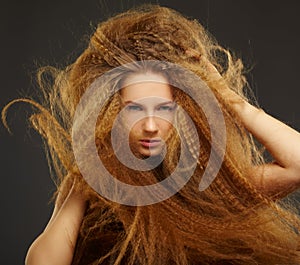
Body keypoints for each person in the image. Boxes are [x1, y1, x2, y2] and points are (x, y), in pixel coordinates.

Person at [3, 4, 300, 265]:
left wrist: (228, 98)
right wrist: (81, 188)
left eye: (163, 108)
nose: (150, 125)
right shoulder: (91, 183)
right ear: (111, 113)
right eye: (133, 109)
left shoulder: (209, 188)